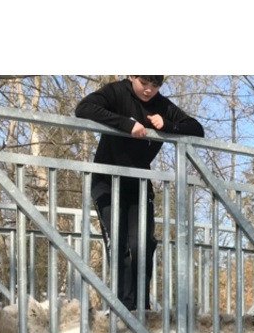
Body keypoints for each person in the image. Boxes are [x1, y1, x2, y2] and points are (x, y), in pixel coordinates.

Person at [75, 76, 204, 311]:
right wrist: (126, 124)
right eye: (144, 83)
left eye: (155, 86)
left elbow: (197, 129)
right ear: (132, 76)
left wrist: (168, 125)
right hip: (107, 182)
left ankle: (142, 308)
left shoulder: (161, 105)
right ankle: (124, 308)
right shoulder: (117, 92)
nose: (148, 90)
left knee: (142, 244)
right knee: (119, 242)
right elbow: (83, 108)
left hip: (139, 185)